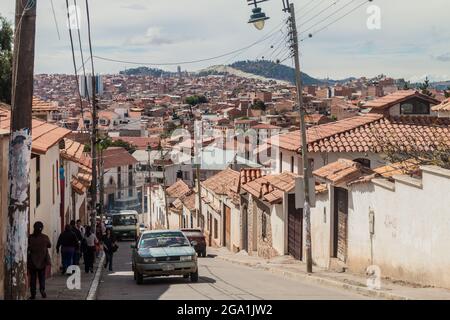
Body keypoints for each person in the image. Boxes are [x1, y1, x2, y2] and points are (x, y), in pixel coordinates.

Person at [28, 221, 51, 300]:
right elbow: (49, 245)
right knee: (42, 277)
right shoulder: (45, 237)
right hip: (42, 261)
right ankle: (42, 289)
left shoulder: (30, 237)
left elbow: (28, 247)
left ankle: (33, 294)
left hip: (32, 261)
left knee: (33, 279)